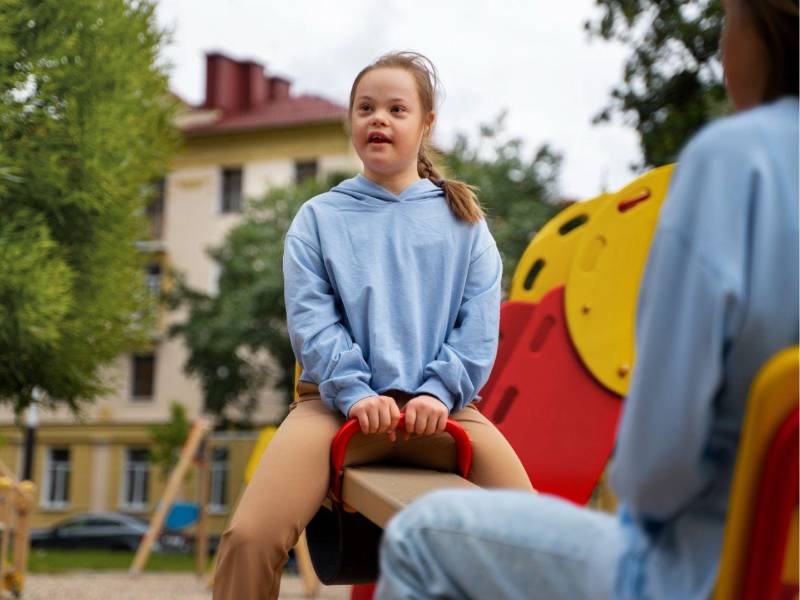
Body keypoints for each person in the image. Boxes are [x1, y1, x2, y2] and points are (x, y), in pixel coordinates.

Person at [376, 0, 799, 598]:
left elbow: (654, 474)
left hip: (708, 570)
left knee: (421, 535)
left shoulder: (736, 163)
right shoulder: (334, 220)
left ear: (762, 30)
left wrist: (437, 387)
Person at [212, 52, 533, 600]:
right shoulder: (319, 219)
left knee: (537, 540)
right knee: (249, 537)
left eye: (396, 108)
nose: (378, 119)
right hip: (336, 407)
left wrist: (438, 391)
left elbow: (478, 330)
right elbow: (313, 324)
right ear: (352, 122)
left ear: (425, 124)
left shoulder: (466, 225)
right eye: (366, 108)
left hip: (446, 411)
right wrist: (356, 392)